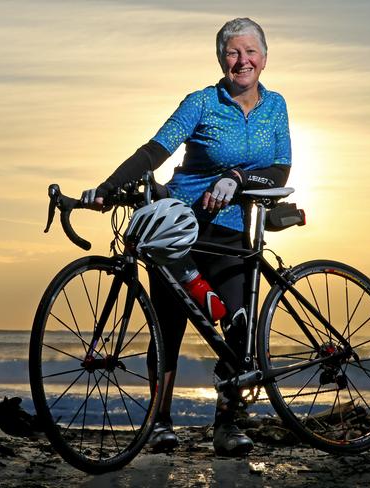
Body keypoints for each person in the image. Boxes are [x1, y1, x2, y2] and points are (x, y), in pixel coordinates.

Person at [82, 17, 291, 456]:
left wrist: (235, 177)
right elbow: (155, 149)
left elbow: (280, 168)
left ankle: (227, 424)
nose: (242, 61)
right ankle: (159, 422)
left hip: (236, 231)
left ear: (265, 58)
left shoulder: (276, 107)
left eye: (250, 52)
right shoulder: (200, 102)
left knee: (237, 327)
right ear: (221, 58)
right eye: (233, 52)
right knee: (167, 326)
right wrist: (106, 187)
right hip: (182, 227)